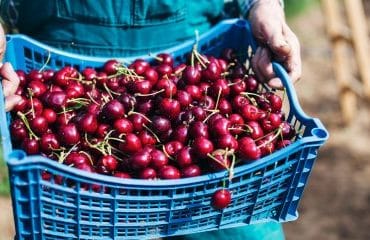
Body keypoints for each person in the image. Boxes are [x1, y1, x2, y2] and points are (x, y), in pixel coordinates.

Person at [0, 0, 301, 239]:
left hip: (195, 49)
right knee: (65, 209)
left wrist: (263, 5)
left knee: (238, 217)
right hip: (62, 52)